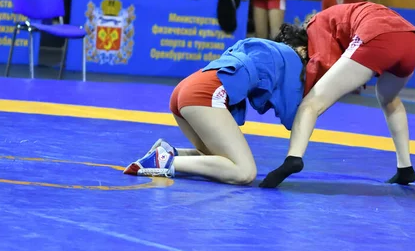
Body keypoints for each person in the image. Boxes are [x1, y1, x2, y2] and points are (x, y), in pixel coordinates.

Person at [259, 2, 415, 188]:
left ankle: (293, 159)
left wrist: (302, 96)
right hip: (410, 43)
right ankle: (405, 168)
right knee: (388, 98)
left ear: (300, 48)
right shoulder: (333, 18)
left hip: (377, 36)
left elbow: (323, 62)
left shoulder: (316, 24)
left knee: (310, 104)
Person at [123, 27, 308, 185]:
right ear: (303, 51)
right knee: (244, 172)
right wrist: (312, 108)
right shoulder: (292, 58)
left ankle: (169, 152)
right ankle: (161, 162)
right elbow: (293, 113)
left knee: (219, 159)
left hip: (188, 87)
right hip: (205, 93)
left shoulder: (260, 47)